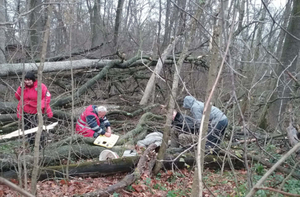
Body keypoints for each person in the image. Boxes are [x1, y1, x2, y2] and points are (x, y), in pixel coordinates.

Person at [15, 71, 53, 145]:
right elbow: (17, 97)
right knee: (28, 130)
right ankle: (31, 144)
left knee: (37, 130)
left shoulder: (40, 86)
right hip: (25, 112)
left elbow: (47, 97)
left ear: (33, 80)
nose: (27, 82)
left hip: (36, 112)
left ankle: (40, 145)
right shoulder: (23, 87)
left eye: (29, 80)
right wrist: (20, 88)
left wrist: (41, 106)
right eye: (26, 80)